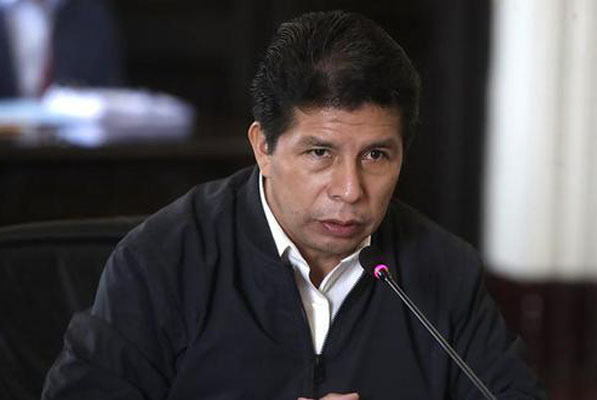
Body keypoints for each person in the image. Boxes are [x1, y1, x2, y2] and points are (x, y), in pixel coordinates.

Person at [41, 10, 545, 400]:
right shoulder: (164, 258)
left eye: (375, 155)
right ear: (263, 147)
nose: (349, 190)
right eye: (320, 153)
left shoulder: (444, 271)